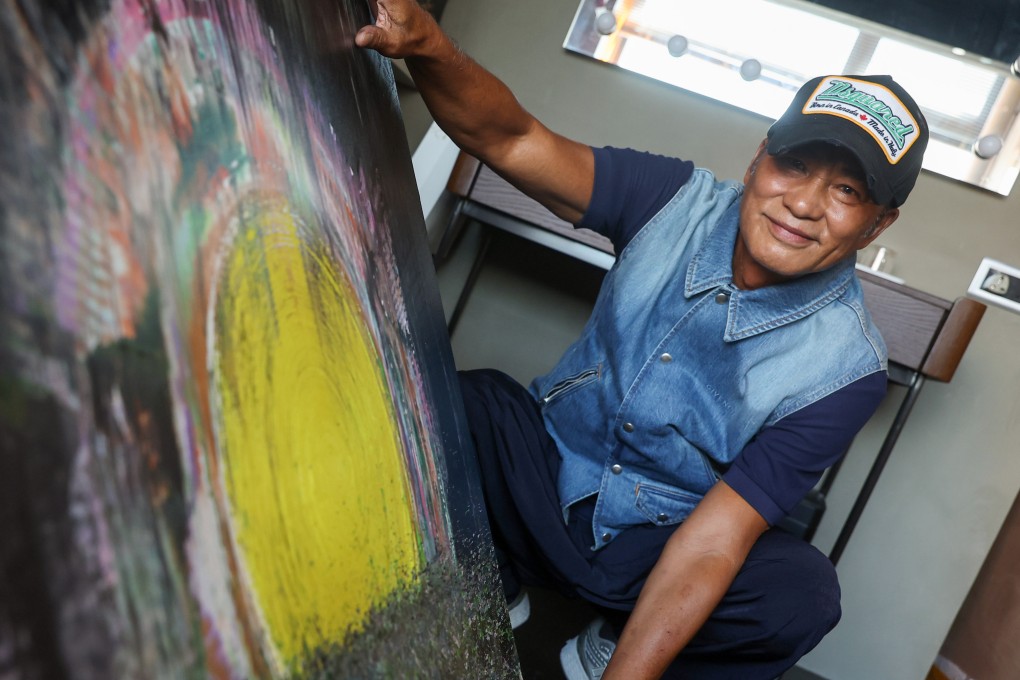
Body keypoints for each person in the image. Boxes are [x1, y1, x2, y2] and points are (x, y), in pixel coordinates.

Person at [356, 3, 929, 678]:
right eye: (795, 165)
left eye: (847, 191)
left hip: (656, 546)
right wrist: (428, 46)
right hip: (548, 482)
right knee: (470, 400)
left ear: (877, 225)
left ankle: (616, 640)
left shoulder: (847, 368)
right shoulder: (673, 199)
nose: (803, 203)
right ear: (758, 158)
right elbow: (514, 141)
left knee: (800, 595)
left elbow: (716, 542)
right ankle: (494, 575)